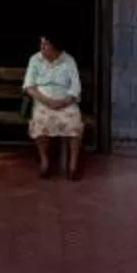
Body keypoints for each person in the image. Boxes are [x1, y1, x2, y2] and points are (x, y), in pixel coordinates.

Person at [24, 34, 85, 179]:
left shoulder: (68, 61)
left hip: (65, 101)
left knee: (74, 123)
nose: (42, 48)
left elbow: (76, 87)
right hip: (43, 101)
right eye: (41, 44)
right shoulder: (35, 59)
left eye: (46, 45)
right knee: (40, 123)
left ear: (56, 47)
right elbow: (29, 86)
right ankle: (45, 161)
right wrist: (46, 100)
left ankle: (73, 165)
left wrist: (63, 102)